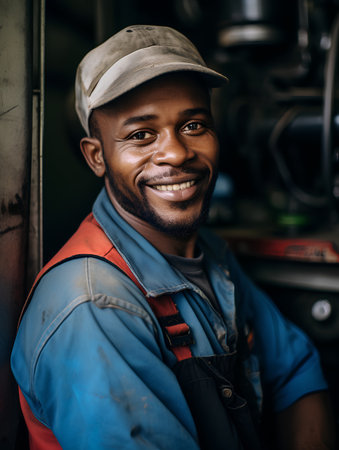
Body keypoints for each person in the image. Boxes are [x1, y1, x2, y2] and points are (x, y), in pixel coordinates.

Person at [11, 25, 335, 450]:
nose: (177, 153)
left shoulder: (209, 252)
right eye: (141, 134)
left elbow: (296, 372)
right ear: (96, 157)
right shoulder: (93, 309)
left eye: (194, 124)